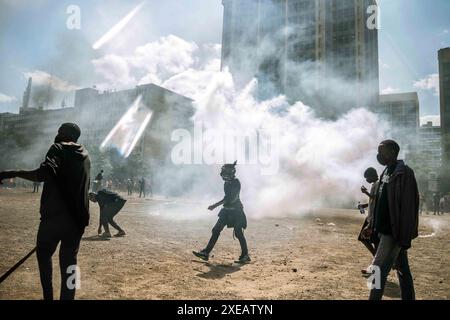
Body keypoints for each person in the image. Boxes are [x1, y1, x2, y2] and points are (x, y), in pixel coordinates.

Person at [0, 123, 91, 300]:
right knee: (70, 262)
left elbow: (43, 174)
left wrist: (12, 172)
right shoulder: (86, 155)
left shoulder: (57, 147)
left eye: (59, 131)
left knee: (44, 255)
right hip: (77, 220)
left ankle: (48, 296)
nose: (56, 134)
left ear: (65, 134)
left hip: (54, 218)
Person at [362, 140, 419, 300]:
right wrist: (372, 225)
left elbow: (408, 206)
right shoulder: (385, 172)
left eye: (382, 151)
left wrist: (403, 234)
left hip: (392, 232)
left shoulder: (404, 173)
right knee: (402, 269)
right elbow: (380, 202)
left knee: (377, 269)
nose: (379, 155)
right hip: (382, 231)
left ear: (393, 152)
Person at [193, 161, 250, 264]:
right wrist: (219, 205)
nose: (223, 174)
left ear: (231, 172)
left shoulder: (236, 182)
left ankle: (245, 255)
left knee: (238, 233)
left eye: (225, 172)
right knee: (216, 230)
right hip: (226, 210)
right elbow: (227, 198)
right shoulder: (226, 183)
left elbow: (231, 198)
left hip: (236, 211)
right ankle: (206, 253)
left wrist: (215, 205)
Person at [358, 167, 380, 275]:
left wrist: (365, 192)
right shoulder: (374, 184)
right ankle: (376, 261)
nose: (366, 180)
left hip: (374, 219)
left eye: (367, 178)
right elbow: (373, 200)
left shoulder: (378, 184)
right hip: (370, 217)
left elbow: (376, 199)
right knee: (366, 239)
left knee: (371, 241)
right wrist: (364, 205)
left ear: (372, 175)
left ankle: (377, 263)